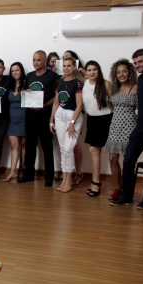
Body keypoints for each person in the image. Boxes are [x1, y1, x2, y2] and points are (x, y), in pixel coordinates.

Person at [110, 49, 143, 208]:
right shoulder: (141, 79)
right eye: (136, 62)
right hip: (140, 127)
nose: (138, 65)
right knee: (128, 161)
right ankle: (126, 196)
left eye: (141, 61)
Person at [19, 50, 58, 187]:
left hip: (45, 114)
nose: (36, 63)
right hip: (30, 115)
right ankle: (29, 174)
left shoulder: (52, 76)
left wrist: (44, 105)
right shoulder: (29, 76)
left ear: (45, 60)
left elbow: (57, 96)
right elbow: (22, 92)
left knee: (47, 146)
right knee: (30, 145)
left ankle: (49, 177)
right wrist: (25, 93)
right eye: (34, 60)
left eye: (39, 60)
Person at [104, 59, 138, 200]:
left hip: (130, 125)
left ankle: (127, 190)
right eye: (118, 72)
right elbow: (110, 105)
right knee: (112, 158)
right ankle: (118, 188)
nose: (121, 74)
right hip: (115, 125)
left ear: (130, 71)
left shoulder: (136, 87)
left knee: (127, 160)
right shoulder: (114, 88)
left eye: (124, 71)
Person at [49, 56, 84, 193]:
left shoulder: (78, 83)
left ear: (74, 67)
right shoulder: (60, 81)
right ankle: (65, 178)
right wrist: (51, 120)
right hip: (60, 114)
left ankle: (69, 179)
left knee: (69, 148)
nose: (66, 68)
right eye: (64, 66)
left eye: (69, 65)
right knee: (63, 149)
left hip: (72, 115)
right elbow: (56, 102)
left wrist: (72, 123)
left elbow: (80, 105)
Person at [83, 61, 112, 197]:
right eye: (89, 70)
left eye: (95, 69)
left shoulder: (105, 84)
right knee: (94, 151)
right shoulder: (85, 83)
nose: (92, 72)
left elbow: (114, 103)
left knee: (94, 150)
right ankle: (95, 181)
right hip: (92, 120)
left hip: (105, 119)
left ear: (99, 70)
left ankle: (96, 182)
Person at [63, 50, 86, 186]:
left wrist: (83, 72)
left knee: (73, 145)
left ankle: (78, 173)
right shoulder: (61, 77)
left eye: (68, 60)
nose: (65, 65)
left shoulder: (80, 78)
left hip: (75, 115)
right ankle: (67, 173)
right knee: (64, 146)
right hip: (62, 114)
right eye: (63, 60)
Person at [3, 62, 27, 182]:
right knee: (14, 145)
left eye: (17, 70)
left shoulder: (27, 84)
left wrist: (29, 93)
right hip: (12, 120)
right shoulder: (9, 84)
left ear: (21, 71)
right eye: (13, 71)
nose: (15, 73)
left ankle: (21, 170)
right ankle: (12, 171)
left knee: (23, 145)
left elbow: (34, 99)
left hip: (25, 119)